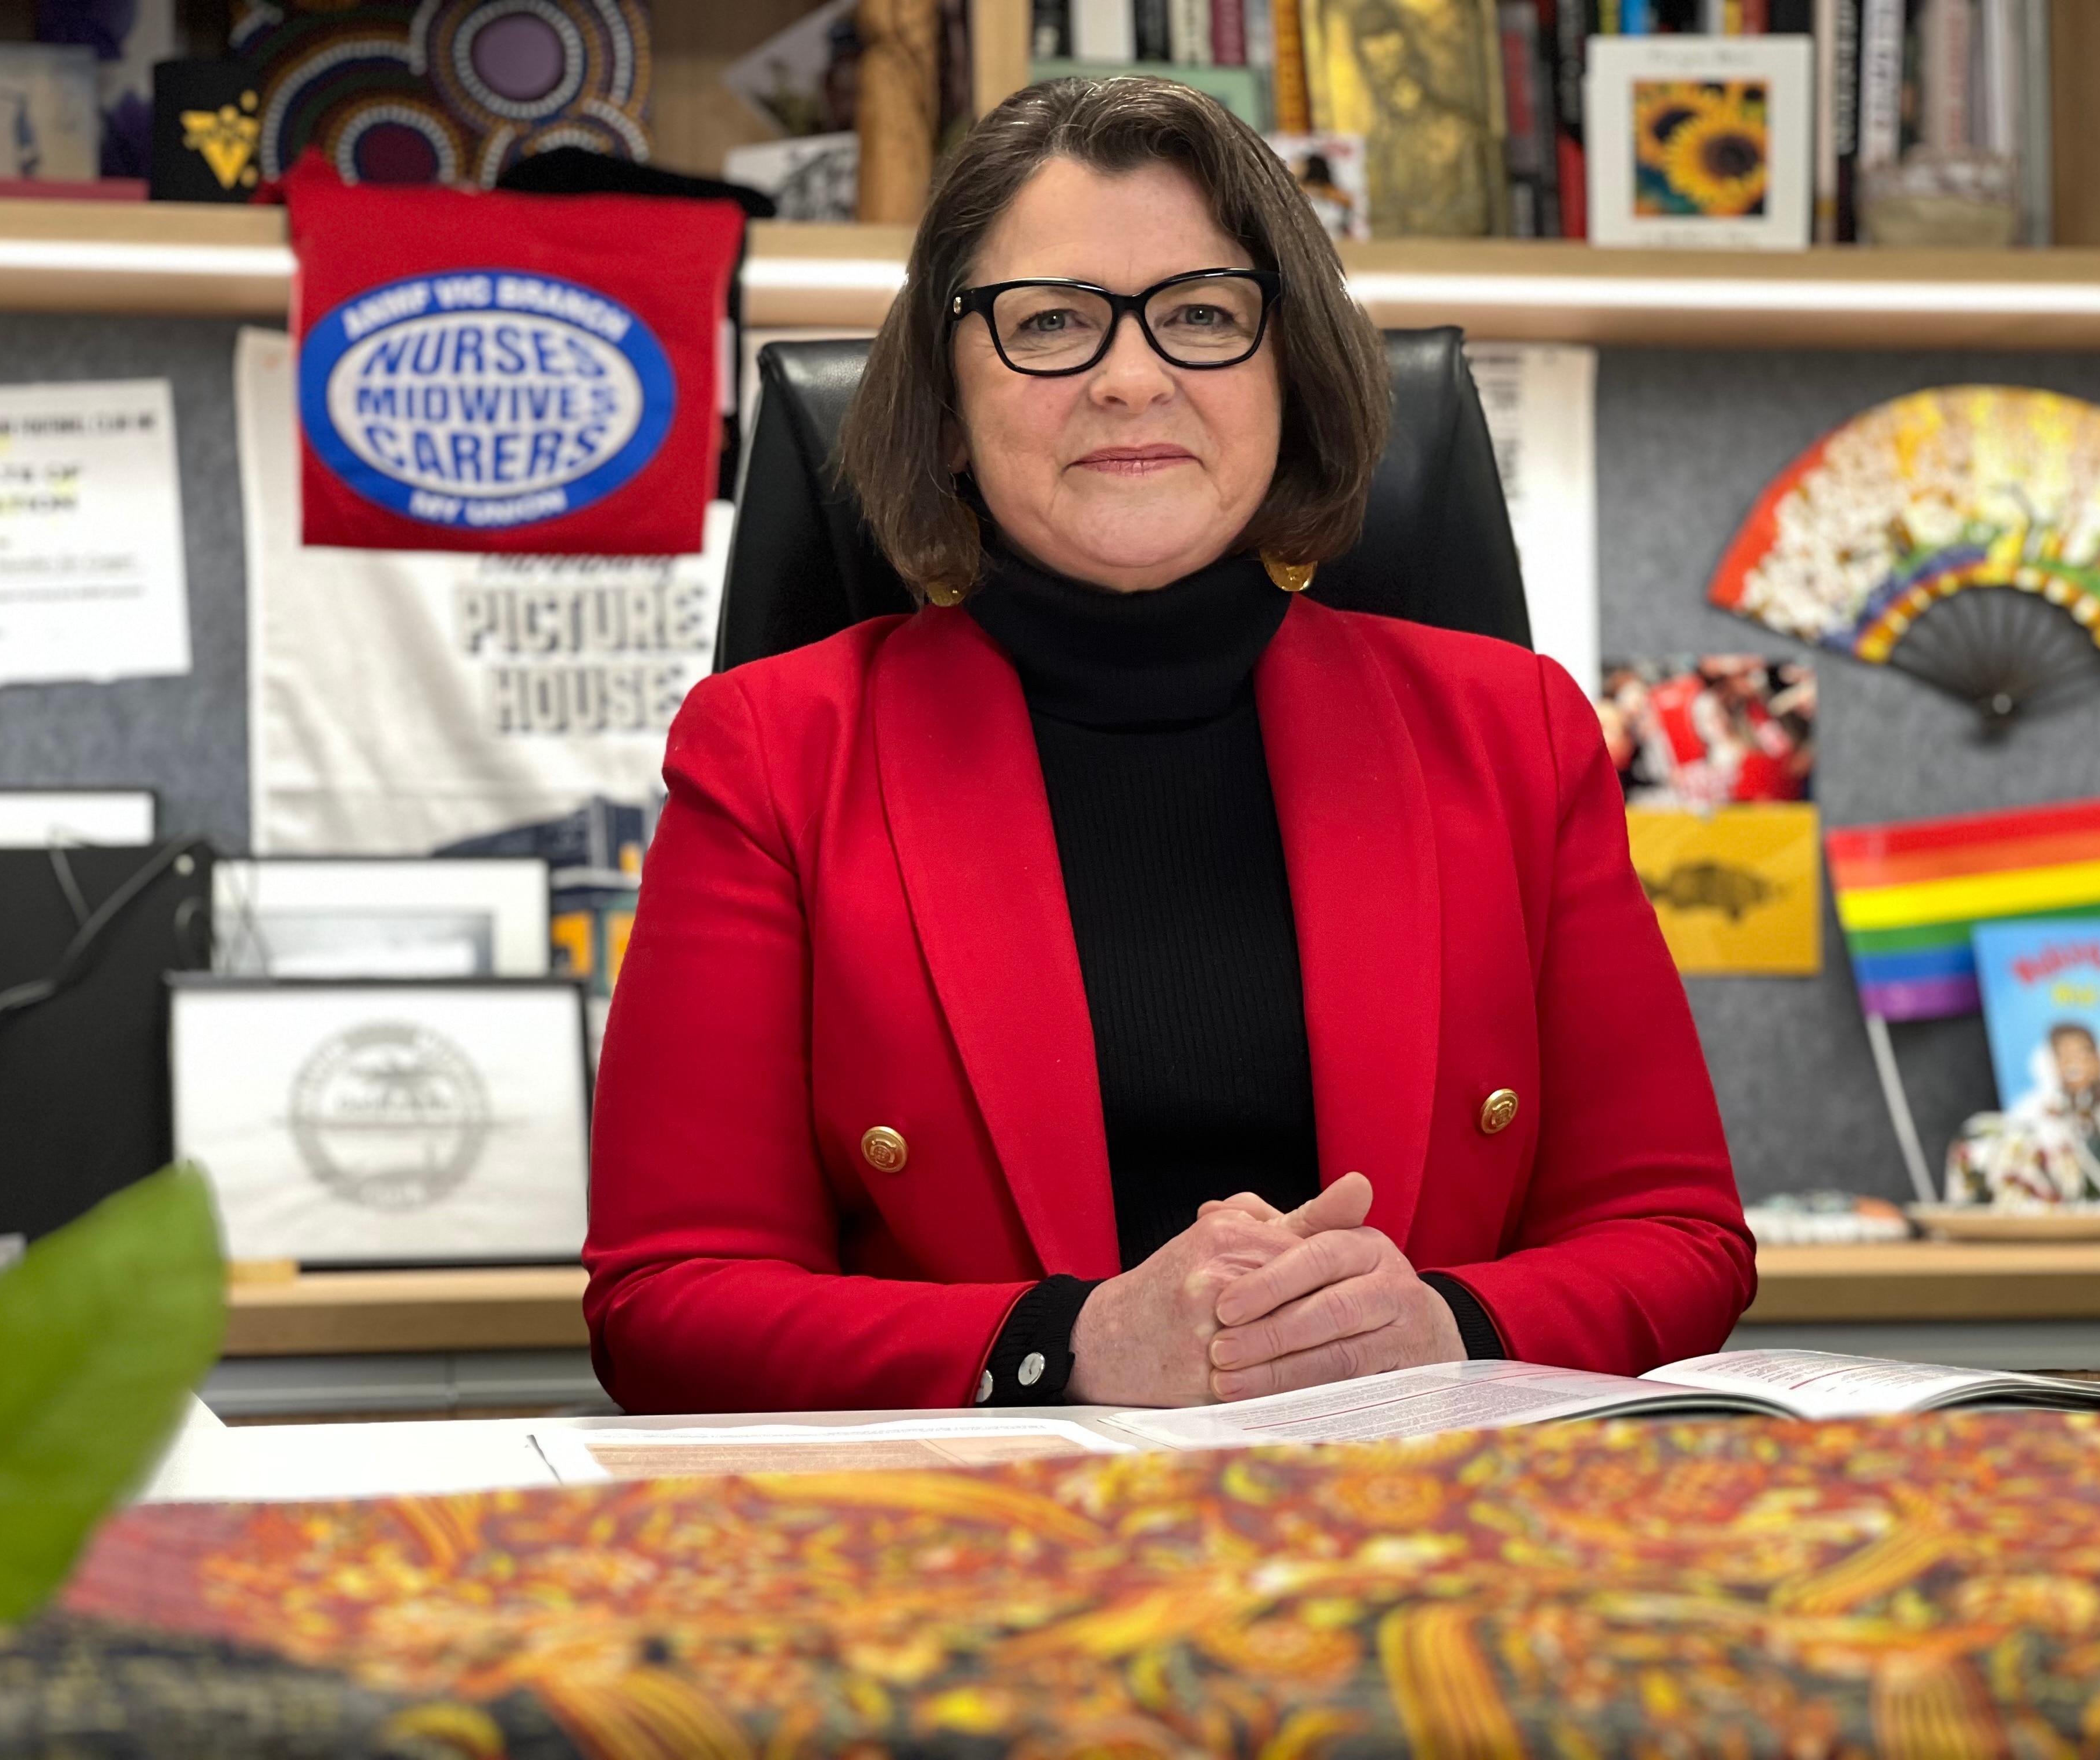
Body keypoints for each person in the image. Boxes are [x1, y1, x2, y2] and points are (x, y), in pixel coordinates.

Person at [585, 76, 1754, 1415]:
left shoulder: (1518, 735)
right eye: (1051, 323)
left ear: (1290, 372)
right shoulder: (773, 756)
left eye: (1201, 314)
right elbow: (666, 1301)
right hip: (964, 1568)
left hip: (1435, 1543)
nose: (1130, 378)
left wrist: (1449, 1327)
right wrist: (1061, 1346)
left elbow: (1681, 1239)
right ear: (947, 405)